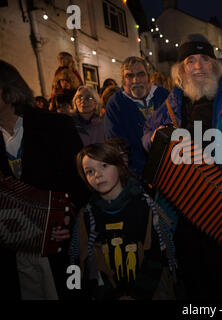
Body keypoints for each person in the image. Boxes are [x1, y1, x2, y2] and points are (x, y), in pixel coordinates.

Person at [141, 33, 222, 299]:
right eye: (191, 61)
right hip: (184, 217)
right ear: (181, 69)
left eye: (205, 59)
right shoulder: (170, 104)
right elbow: (146, 134)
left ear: (215, 65)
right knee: (195, 288)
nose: (199, 66)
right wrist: (152, 139)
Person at [0, 60, 88, 299]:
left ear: (6, 90)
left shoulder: (55, 125)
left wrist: (67, 217)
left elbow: (80, 180)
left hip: (56, 244)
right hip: (13, 249)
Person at [71, 142, 176, 300]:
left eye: (104, 166)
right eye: (89, 171)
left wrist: (138, 294)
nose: (97, 175)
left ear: (120, 166)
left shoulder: (145, 207)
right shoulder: (87, 215)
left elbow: (157, 256)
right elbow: (85, 266)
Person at [104, 56, 169, 177]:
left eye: (141, 74)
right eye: (129, 76)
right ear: (123, 81)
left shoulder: (163, 96)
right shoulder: (116, 104)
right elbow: (115, 145)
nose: (136, 80)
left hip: (170, 169)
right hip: (136, 175)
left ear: (148, 77)